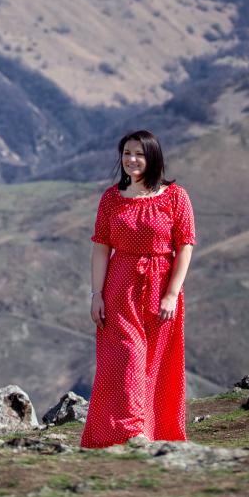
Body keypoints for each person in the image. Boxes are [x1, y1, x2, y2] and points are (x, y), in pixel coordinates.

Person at [79, 129, 195, 448]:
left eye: (139, 154)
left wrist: (172, 293)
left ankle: (152, 432)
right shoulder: (111, 198)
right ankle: (132, 432)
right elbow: (101, 246)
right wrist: (97, 294)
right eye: (127, 153)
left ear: (152, 158)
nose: (131, 160)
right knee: (129, 357)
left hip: (160, 287)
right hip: (120, 287)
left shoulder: (175, 197)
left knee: (154, 363)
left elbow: (185, 245)